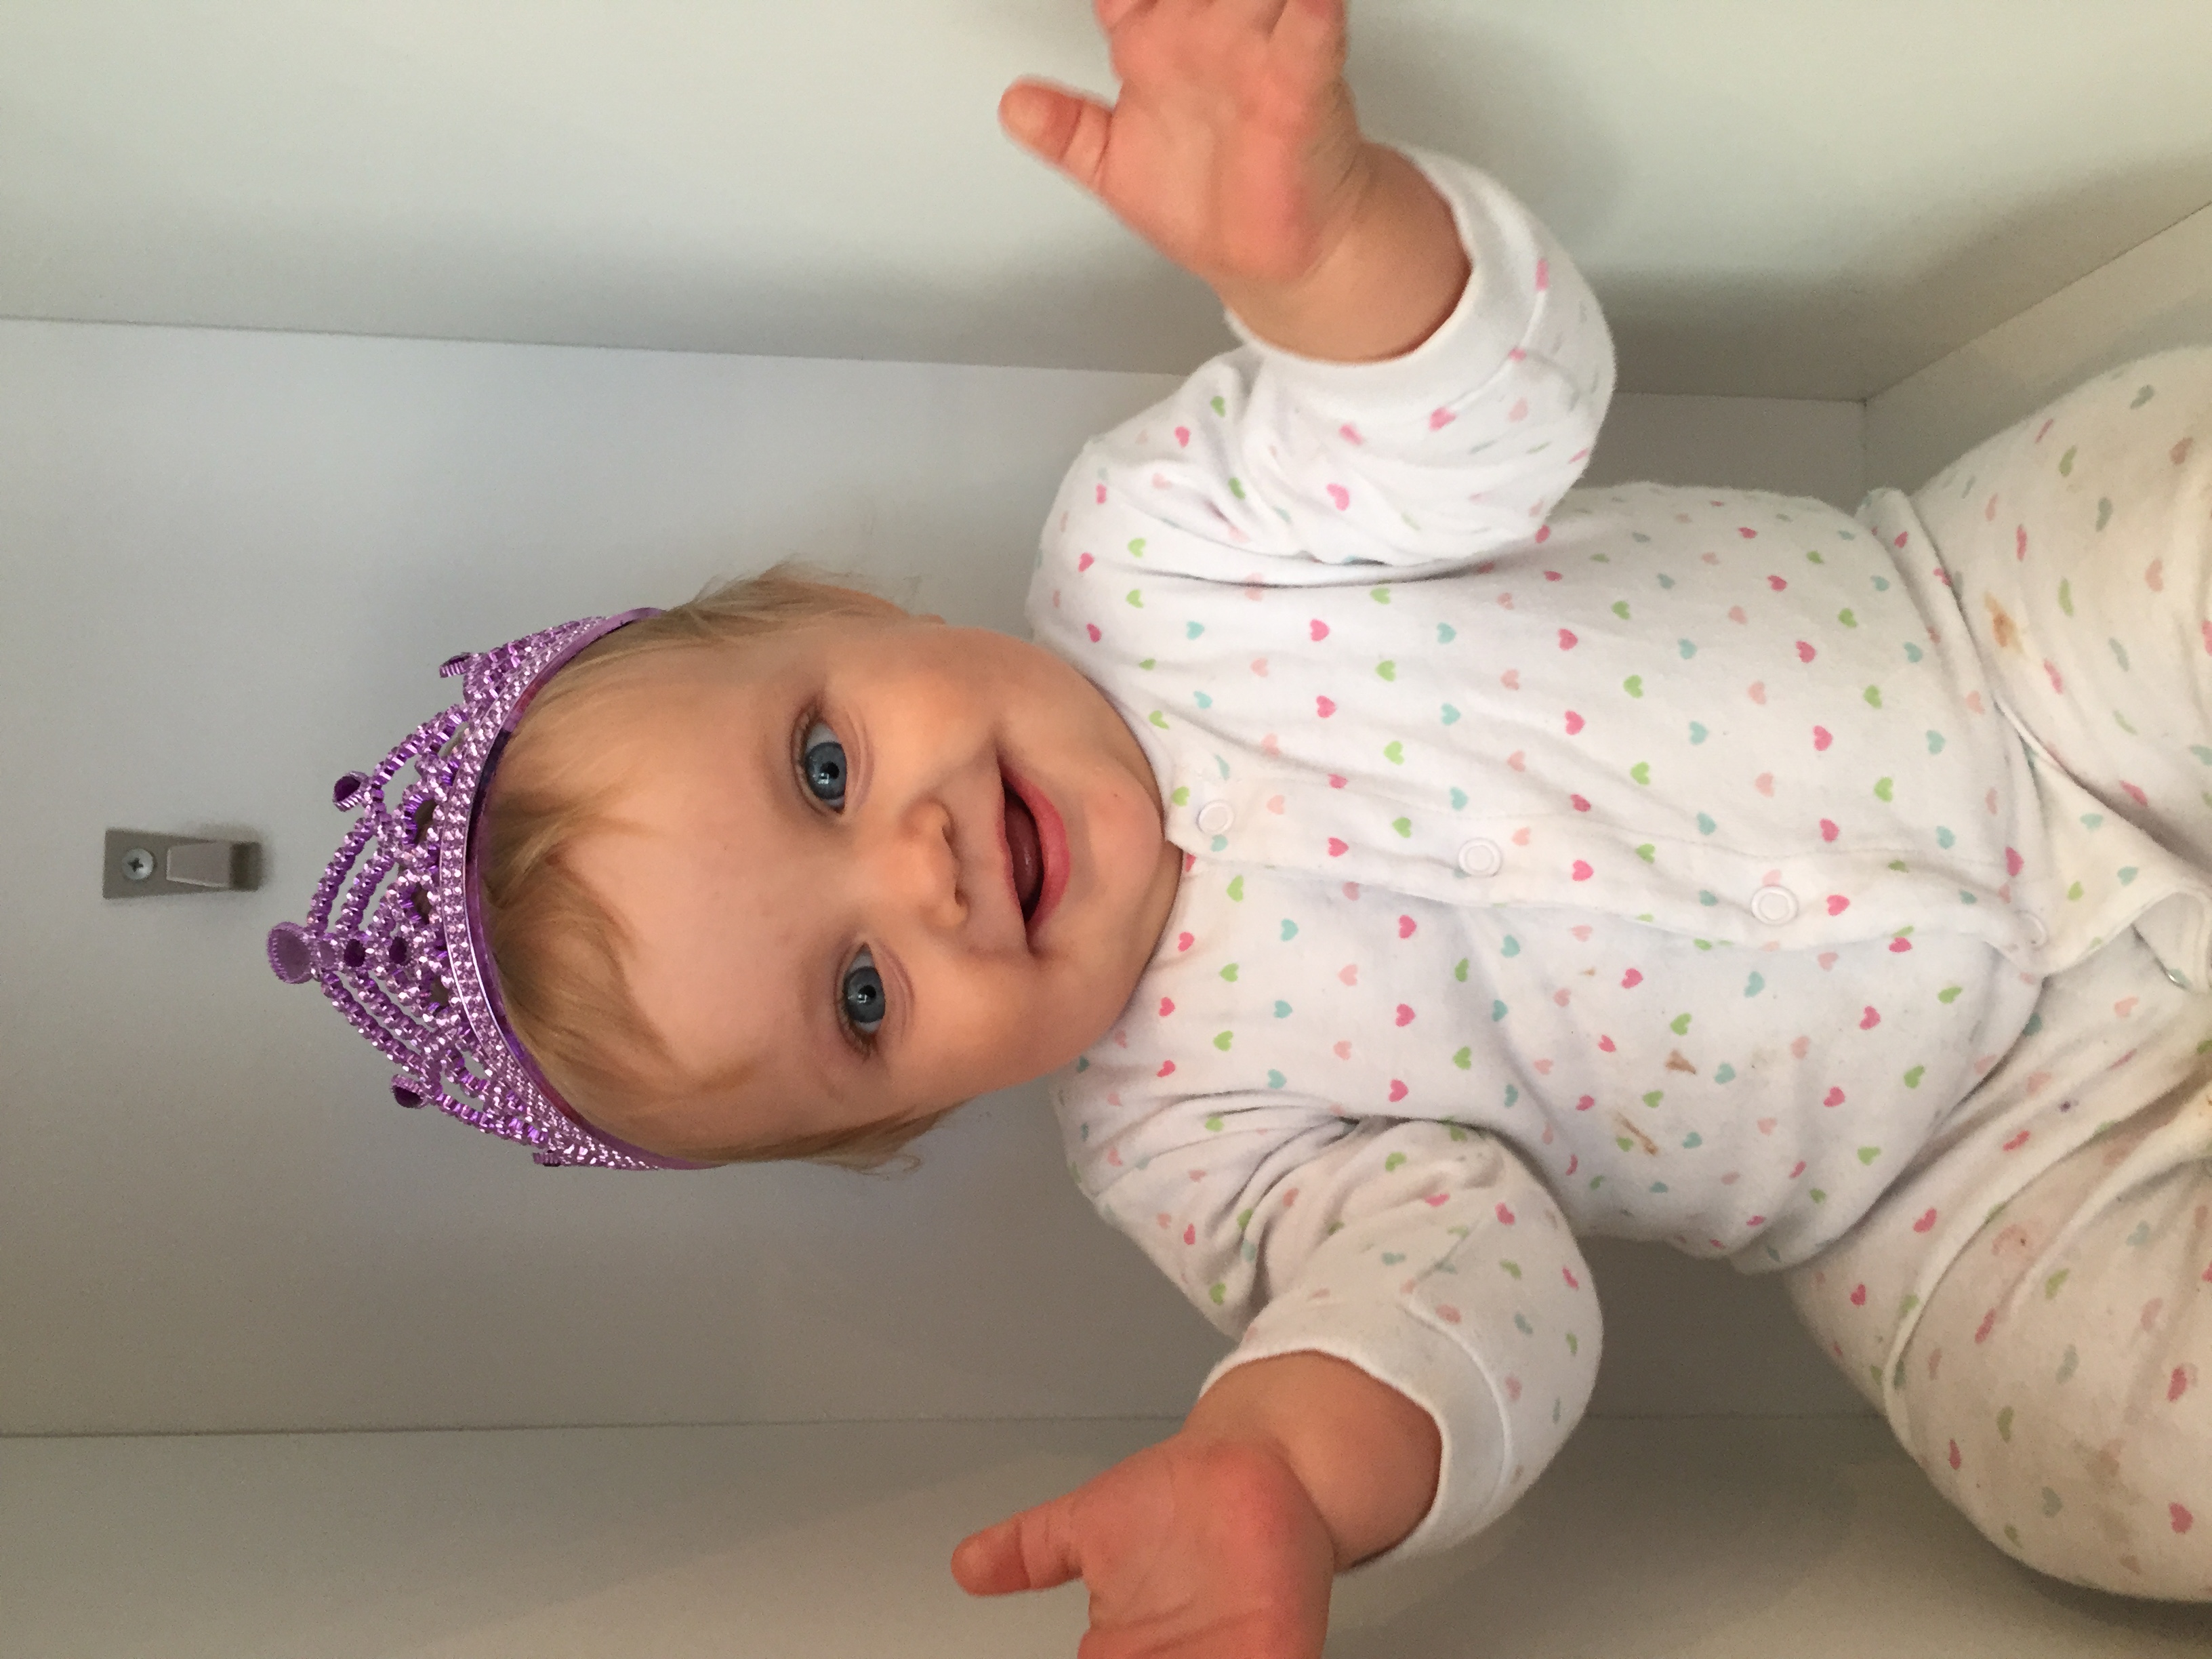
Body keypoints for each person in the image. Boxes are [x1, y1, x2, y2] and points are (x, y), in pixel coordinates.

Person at [268, 1, 2212, 1649]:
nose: (921, 874)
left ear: (850, 615)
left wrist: (1325, 250)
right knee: (2096, 1457)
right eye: (861, 996)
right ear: (908, 1116)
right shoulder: (1188, 1143)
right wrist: (1281, 1468)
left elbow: (1481, 425)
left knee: (2176, 536)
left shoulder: (1158, 550)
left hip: (1996, 643)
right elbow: (1471, 1291)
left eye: (825, 769)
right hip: (1944, 1172)